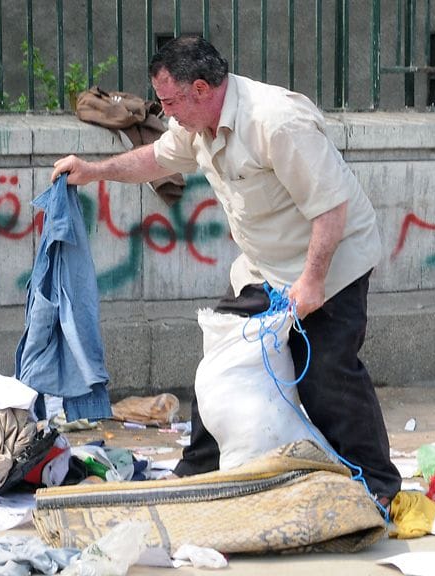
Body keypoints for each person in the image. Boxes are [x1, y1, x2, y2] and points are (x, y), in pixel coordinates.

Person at [51, 35, 401, 506]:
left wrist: (313, 281)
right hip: (264, 267)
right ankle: (198, 468)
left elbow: (331, 209)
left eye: (170, 101)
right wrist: (94, 171)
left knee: (325, 378)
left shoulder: (276, 122)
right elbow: (155, 157)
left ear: (201, 88)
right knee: (222, 364)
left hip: (331, 261)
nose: (165, 112)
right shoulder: (197, 126)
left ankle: (379, 486)